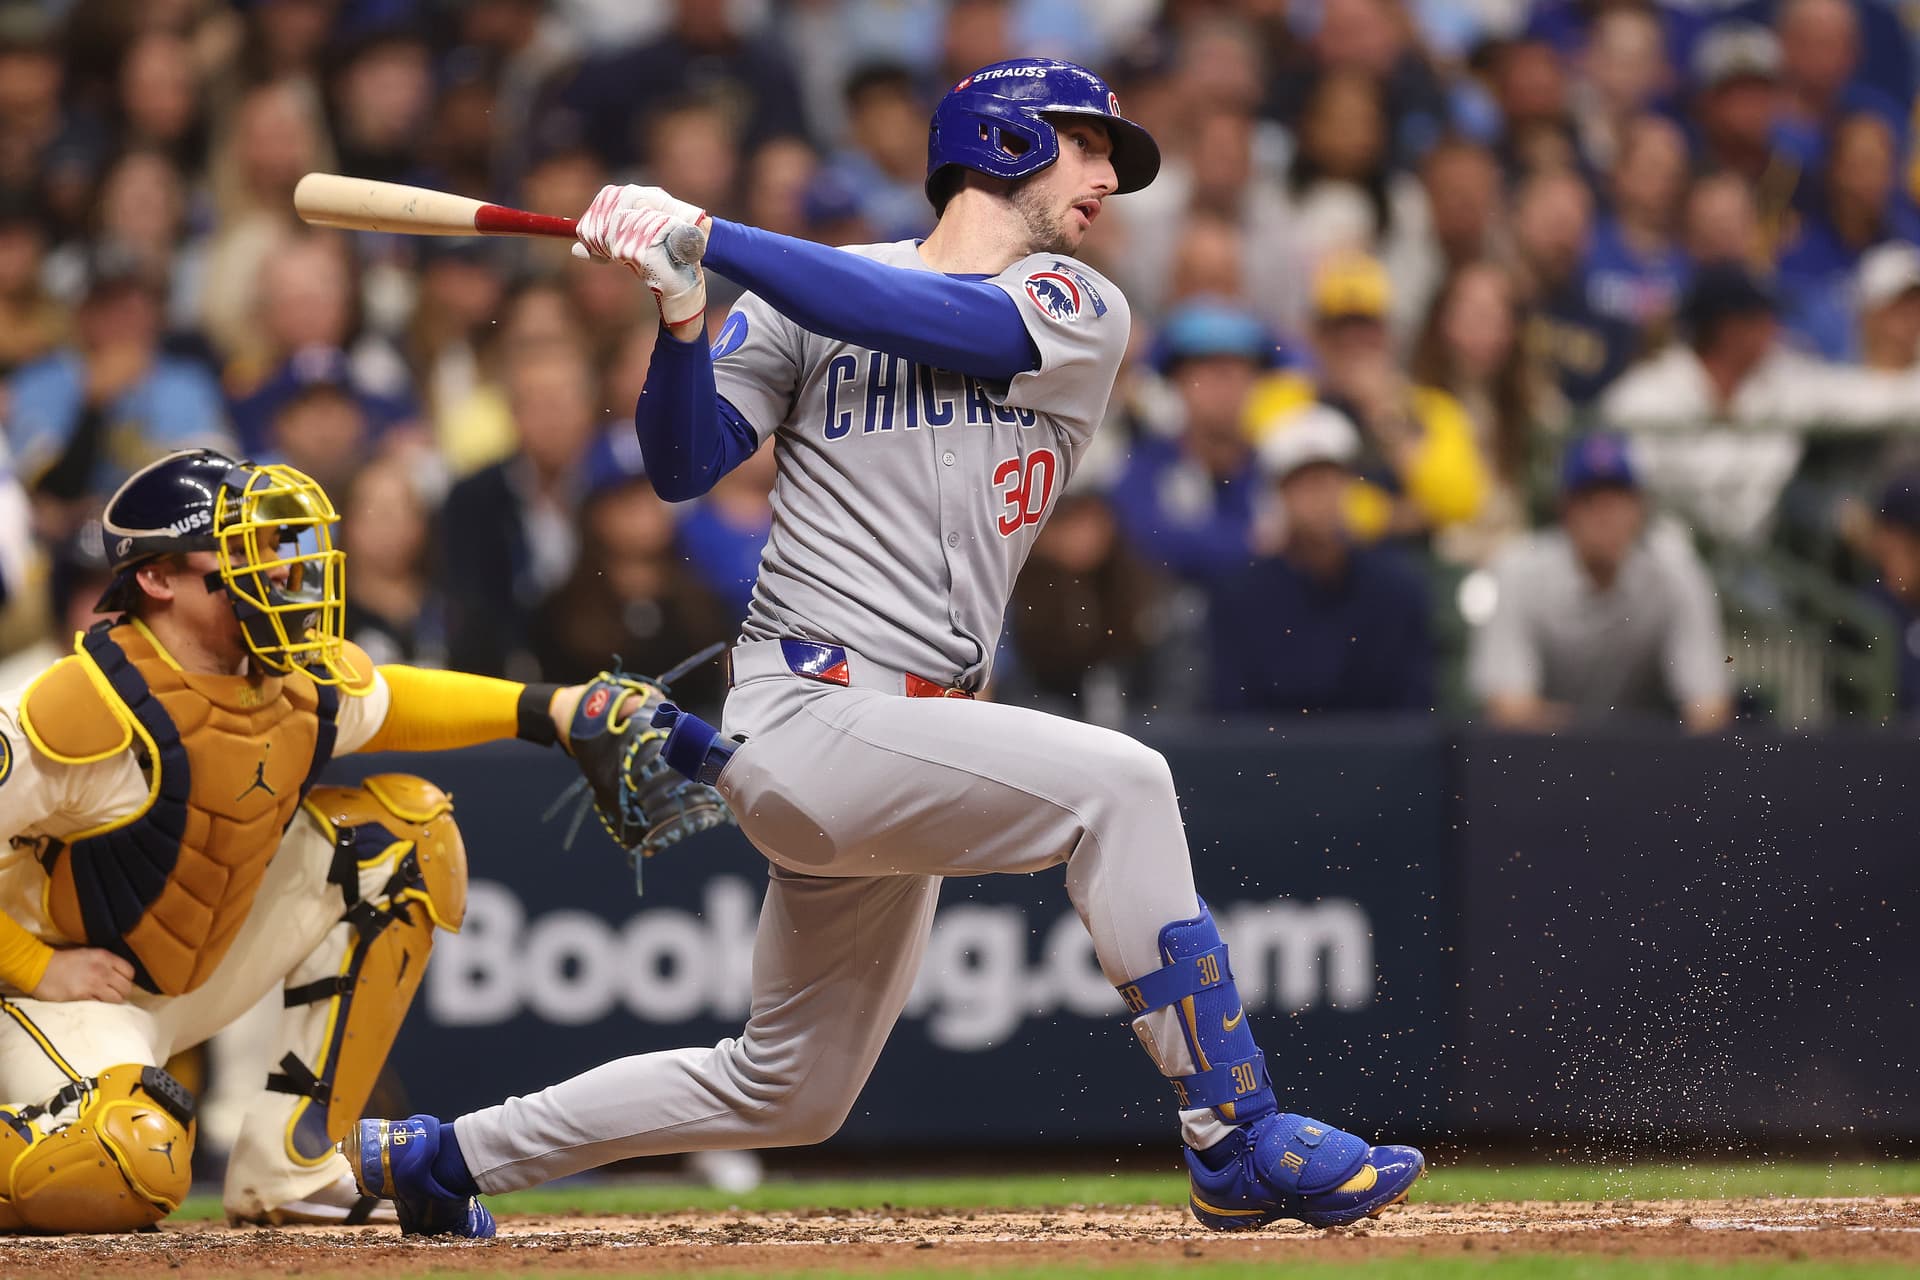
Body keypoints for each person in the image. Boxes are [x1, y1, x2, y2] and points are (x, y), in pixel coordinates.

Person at [350, 56, 1423, 1239]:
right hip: (808, 704)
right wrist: (680, 313)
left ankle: (443, 1155)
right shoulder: (814, 288)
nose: (1111, 177)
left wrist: (711, 233)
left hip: (906, 730)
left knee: (789, 1088)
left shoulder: (1080, 307)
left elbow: (926, 316)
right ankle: (1235, 1131)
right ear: (1007, 140)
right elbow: (683, 461)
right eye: (1090, 146)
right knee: (1123, 785)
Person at [0, 449, 662, 1231]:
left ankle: (294, 1163)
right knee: (128, 1163)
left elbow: (394, 697)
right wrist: (36, 964)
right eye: (245, 548)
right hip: (50, 999)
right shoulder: (73, 709)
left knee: (405, 835)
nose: (279, 569)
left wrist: (550, 709)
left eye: (278, 546)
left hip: (187, 975)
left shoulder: (288, 676)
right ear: (158, 577)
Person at [1468, 433, 1733, 734]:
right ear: (1565, 510)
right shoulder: (1520, 571)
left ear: (1639, 508)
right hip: (1546, 761)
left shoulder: (1675, 572)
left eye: (1617, 499)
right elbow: (1508, 708)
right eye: (1589, 501)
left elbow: (1710, 709)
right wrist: (1604, 741)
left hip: (1647, 762)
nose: (1605, 515)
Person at [1207, 406, 1433, 716]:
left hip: (1378, 762)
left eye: (1330, 480)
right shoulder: (1239, 597)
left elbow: (1414, 710)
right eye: (1305, 483)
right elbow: (1231, 715)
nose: (1320, 498)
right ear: (1280, 494)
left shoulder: (1397, 591)